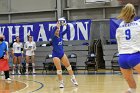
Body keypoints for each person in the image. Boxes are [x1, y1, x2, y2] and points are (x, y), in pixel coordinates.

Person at [116, 3, 140, 93]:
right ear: (134, 14)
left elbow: (119, 42)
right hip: (136, 56)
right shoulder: (138, 25)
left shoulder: (119, 27)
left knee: (132, 89)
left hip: (122, 58)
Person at [51, 17, 78, 88]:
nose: (57, 31)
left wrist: (66, 24)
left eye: (58, 30)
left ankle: (73, 79)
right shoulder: (53, 37)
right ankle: (61, 83)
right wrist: (56, 26)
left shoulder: (60, 35)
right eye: (56, 31)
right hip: (55, 55)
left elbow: (67, 30)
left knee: (69, 67)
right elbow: (53, 32)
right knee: (59, 70)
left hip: (62, 54)